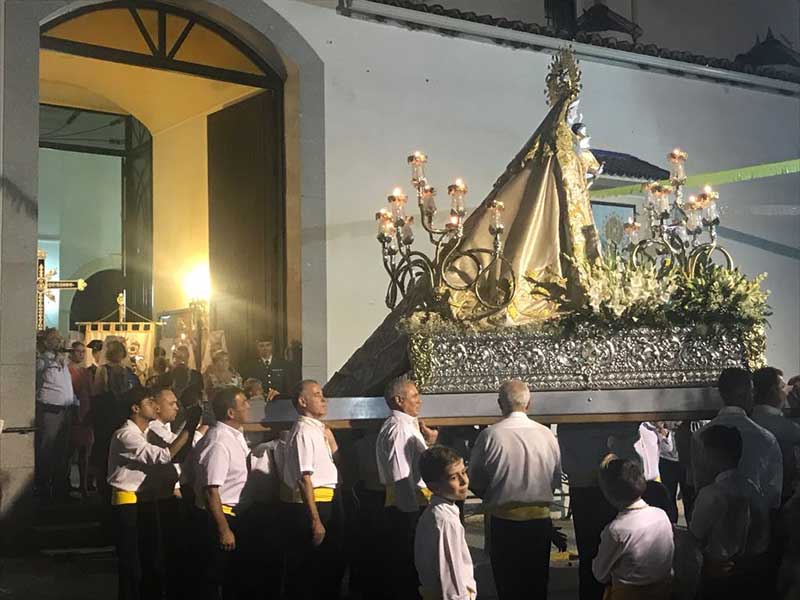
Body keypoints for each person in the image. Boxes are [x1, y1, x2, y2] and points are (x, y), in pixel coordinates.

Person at [468, 379, 561, 600]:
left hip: (504, 522)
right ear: (529, 404)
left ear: (500, 404)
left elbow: (475, 479)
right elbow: (555, 479)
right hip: (539, 521)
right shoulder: (547, 435)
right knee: (537, 585)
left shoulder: (491, 435)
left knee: (508, 585)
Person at [107, 386, 199, 600]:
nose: (155, 406)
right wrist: (190, 426)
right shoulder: (125, 435)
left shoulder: (148, 432)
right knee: (131, 563)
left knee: (150, 559)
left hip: (146, 499)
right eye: (150, 402)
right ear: (135, 408)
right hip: (127, 502)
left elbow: (178, 450)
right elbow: (164, 456)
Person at [558, 422, 641, 600]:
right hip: (603, 485)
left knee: (591, 556)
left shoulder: (568, 422)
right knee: (613, 553)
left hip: (586, 486)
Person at [376, 377, 439, 600]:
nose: (419, 401)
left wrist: (429, 443)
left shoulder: (405, 426)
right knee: (409, 567)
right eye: (414, 396)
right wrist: (411, 515)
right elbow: (401, 475)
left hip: (411, 503)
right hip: (408, 507)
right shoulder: (399, 429)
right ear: (399, 400)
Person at [689, 425, 770, 599]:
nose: (700, 458)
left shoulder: (711, 494)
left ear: (714, 455)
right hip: (754, 572)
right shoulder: (754, 488)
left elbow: (696, 536)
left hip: (719, 574)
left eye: (703, 451)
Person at [281, 380, 343, 599]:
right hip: (313, 504)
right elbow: (304, 478)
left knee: (326, 566)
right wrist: (315, 519)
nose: (323, 399)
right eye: (316, 395)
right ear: (302, 401)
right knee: (310, 570)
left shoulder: (318, 430)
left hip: (327, 500)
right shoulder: (304, 432)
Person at [692, 367, 783, 510]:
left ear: (721, 394)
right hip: (756, 521)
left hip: (712, 518)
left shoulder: (700, 435)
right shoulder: (765, 437)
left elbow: (698, 484)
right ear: (748, 394)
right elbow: (774, 492)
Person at [193, 387, 252, 600]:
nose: (249, 405)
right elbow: (211, 489)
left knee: (234, 579)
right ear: (230, 413)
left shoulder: (235, 436)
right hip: (221, 516)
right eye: (243, 402)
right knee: (216, 577)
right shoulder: (219, 441)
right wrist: (224, 529)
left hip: (237, 515)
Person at [592, 456, 674, 599]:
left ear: (608, 494)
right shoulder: (661, 515)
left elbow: (600, 573)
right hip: (664, 591)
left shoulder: (617, 530)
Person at [414, 446, 476, 600]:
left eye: (464, 472)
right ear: (433, 486)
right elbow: (450, 574)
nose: (464, 481)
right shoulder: (444, 520)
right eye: (453, 477)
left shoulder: (441, 511)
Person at [91, 339, 138, 497]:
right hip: (108, 415)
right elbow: (98, 393)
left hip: (122, 415)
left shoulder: (127, 371)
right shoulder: (103, 370)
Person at [35, 327, 76, 501]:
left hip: (66, 411)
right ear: (46, 342)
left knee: (62, 451)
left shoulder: (62, 361)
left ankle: (60, 489)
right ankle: (43, 488)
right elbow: (37, 378)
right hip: (51, 411)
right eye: (55, 338)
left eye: (60, 338)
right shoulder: (42, 360)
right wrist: (49, 361)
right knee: (47, 450)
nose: (59, 341)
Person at [751, 366, 800, 503]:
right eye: (783, 387)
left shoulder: (750, 418)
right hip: (782, 498)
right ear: (774, 391)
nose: (787, 392)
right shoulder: (783, 426)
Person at [68, 341, 94, 496]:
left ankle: (84, 484)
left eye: (83, 352)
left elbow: (91, 392)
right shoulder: (67, 370)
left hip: (86, 413)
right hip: (73, 414)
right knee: (70, 451)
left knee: (86, 452)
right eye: (78, 351)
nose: (81, 354)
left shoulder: (86, 372)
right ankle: (66, 483)